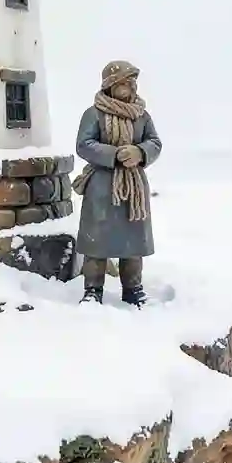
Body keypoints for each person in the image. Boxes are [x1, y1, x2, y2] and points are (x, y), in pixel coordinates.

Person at [72, 60, 161, 306]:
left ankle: (133, 289)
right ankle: (92, 290)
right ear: (110, 85)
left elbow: (155, 142)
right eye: (121, 81)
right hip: (102, 186)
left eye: (130, 81)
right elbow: (84, 144)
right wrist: (113, 155)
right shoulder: (94, 114)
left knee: (133, 242)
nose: (127, 85)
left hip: (134, 188)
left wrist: (140, 152)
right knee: (96, 242)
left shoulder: (142, 116)